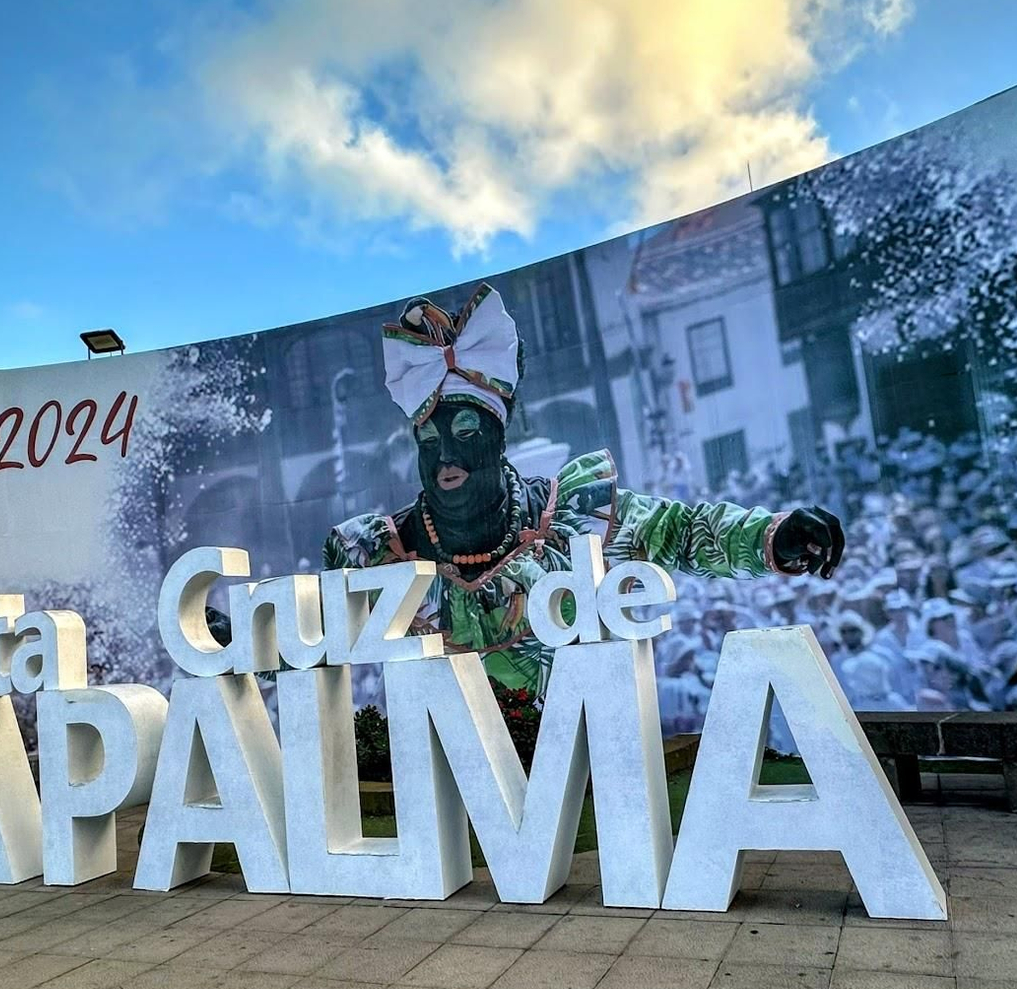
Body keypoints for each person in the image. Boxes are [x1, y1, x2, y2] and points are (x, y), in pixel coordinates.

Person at [323, 284, 845, 700]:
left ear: (498, 438)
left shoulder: (576, 514)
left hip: (580, 772)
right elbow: (315, 639)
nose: (445, 458)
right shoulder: (379, 553)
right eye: (429, 442)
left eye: (465, 433)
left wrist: (771, 536)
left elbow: (683, 532)